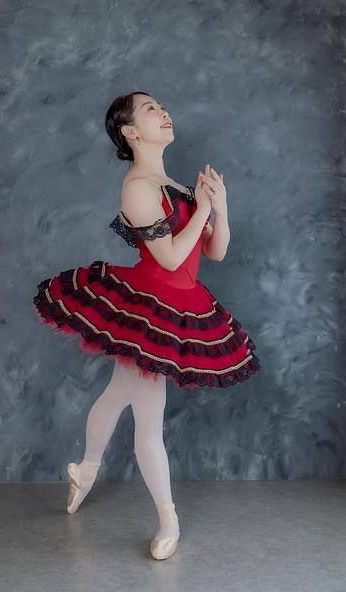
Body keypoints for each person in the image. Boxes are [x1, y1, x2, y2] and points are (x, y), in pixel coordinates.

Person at [32, 90, 261, 560]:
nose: (163, 112)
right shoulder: (137, 186)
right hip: (149, 306)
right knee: (149, 418)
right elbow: (170, 257)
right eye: (151, 109)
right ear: (131, 132)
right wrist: (202, 209)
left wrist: (219, 207)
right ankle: (168, 519)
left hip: (182, 302)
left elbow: (213, 252)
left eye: (162, 106)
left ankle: (85, 469)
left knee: (118, 392)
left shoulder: (173, 184)